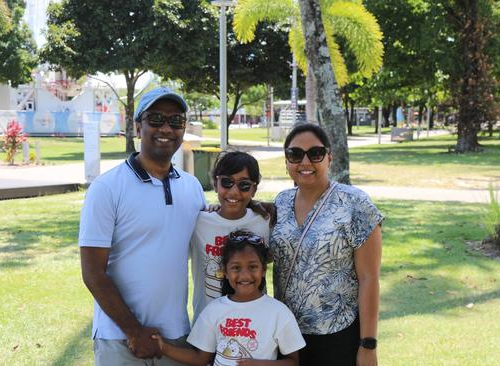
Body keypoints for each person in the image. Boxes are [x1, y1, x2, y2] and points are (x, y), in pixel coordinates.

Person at [78, 87, 206, 365]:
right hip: (120, 338)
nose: (166, 128)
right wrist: (133, 331)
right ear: (138, 126)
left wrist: (259, 209)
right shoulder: (107, 188)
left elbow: (216, 232)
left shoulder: (192, 188)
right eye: (156, 118)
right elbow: (92, 273)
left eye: (176, 121)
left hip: (177, 336)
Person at [269, 123, 383, 366]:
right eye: (295, 154)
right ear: (287, 160)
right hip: (285, 335)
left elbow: (369, 278)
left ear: (329, 157)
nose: (305, 162)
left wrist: (368, 344)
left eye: (316, 153)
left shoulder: (355, 204)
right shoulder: (281, 202)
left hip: (337, 335)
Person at [153, 230, 306, 366]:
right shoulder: (214, 310)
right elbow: (200, 358)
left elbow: (293, 362)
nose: (245, 275)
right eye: (236, 268)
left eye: (252, 266)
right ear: (225, 272)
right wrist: (163, 347)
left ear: (263, 270)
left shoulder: (279, 312)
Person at [190, 151, 270, 323]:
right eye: (226, 182)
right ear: (215, 184)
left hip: (255, 324)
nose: (234, 192)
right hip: (208, 325)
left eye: (244, 185)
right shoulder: (198, 222)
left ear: (254, 189)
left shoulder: (265, 222)